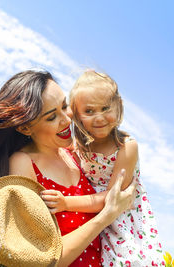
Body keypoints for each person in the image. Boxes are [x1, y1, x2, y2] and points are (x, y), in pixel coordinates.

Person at [0, 70, 137, 266]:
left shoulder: (76, 153)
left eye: (64, 106)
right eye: (51, 117)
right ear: (26, 127)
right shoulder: (23, 163)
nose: (66, 120)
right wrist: (105, 216)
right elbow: (42, 258)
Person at [41, 70, 165, 266]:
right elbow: (65, 113)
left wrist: (65, 203)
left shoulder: (125, 146)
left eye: (106, 108)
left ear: (119, 106)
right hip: (93, 213)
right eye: (89, 111)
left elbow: (112, 198)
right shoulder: (79, 145)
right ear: (77, 115)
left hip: (122, 217)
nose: (99, 118)